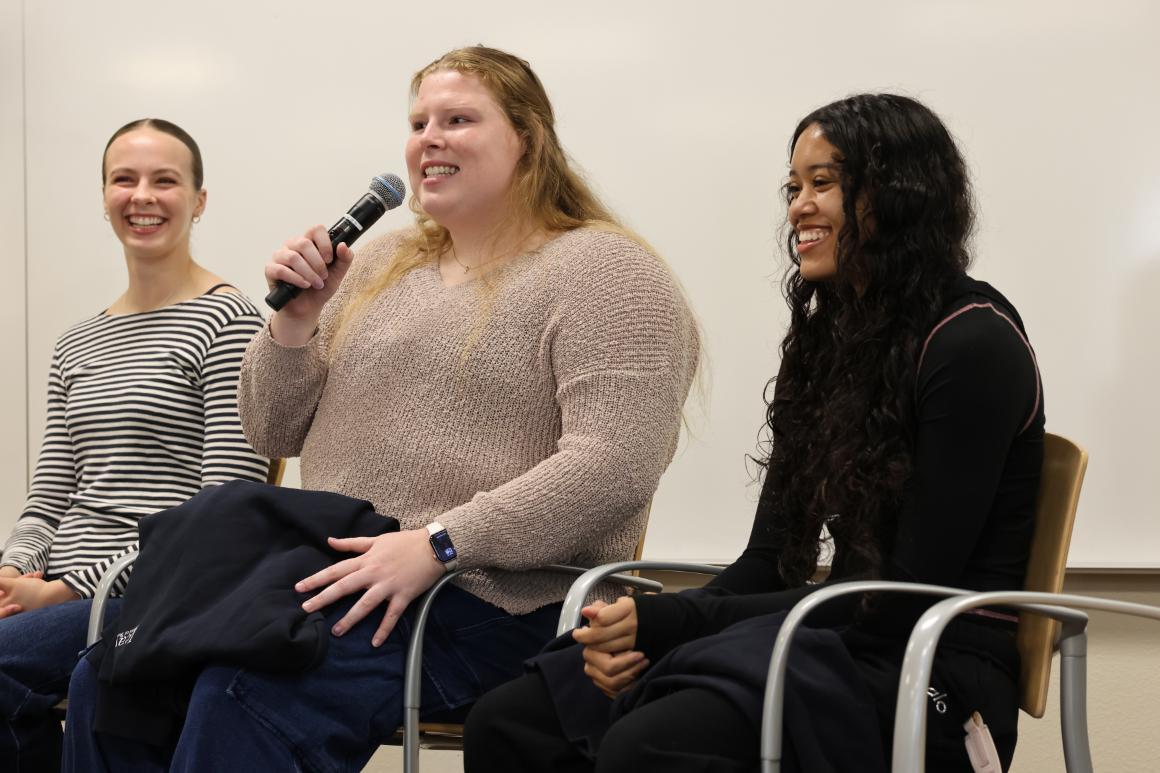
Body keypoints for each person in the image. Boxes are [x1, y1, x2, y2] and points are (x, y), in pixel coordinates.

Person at [61, 46, 699, 771]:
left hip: (495, 597)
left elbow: (615, 463)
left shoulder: (606, 271)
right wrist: (295, 323)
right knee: (114, 681)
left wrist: (438, 544)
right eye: (419, 122)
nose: (430, 139)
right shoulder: (380, 263)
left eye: (458, 120)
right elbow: (270, 429)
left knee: (244, 692)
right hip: (328, 574)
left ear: (529, 139)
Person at [462, 93, 1045, 773]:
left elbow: (898, 597)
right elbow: (768, 561)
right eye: (793, 187)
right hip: (840, 640)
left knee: (650, 743)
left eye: (823, 183)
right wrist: (644, 629)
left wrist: (672, 623)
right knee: (512, 721)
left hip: (934, 674)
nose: (799, 207)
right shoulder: (833, 345)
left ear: (899, 195)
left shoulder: (972, 345)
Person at [0, 118, 268, 770]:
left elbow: (221, 513)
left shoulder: (230, 322)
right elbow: (49, 498)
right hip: (52, 588)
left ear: (199, 200)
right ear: (104, 196)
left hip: (145, 596)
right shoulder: (76, 343)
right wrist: (12, 571)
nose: (142, 195)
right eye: (124, 179)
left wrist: (70, 589)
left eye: (164, 180)